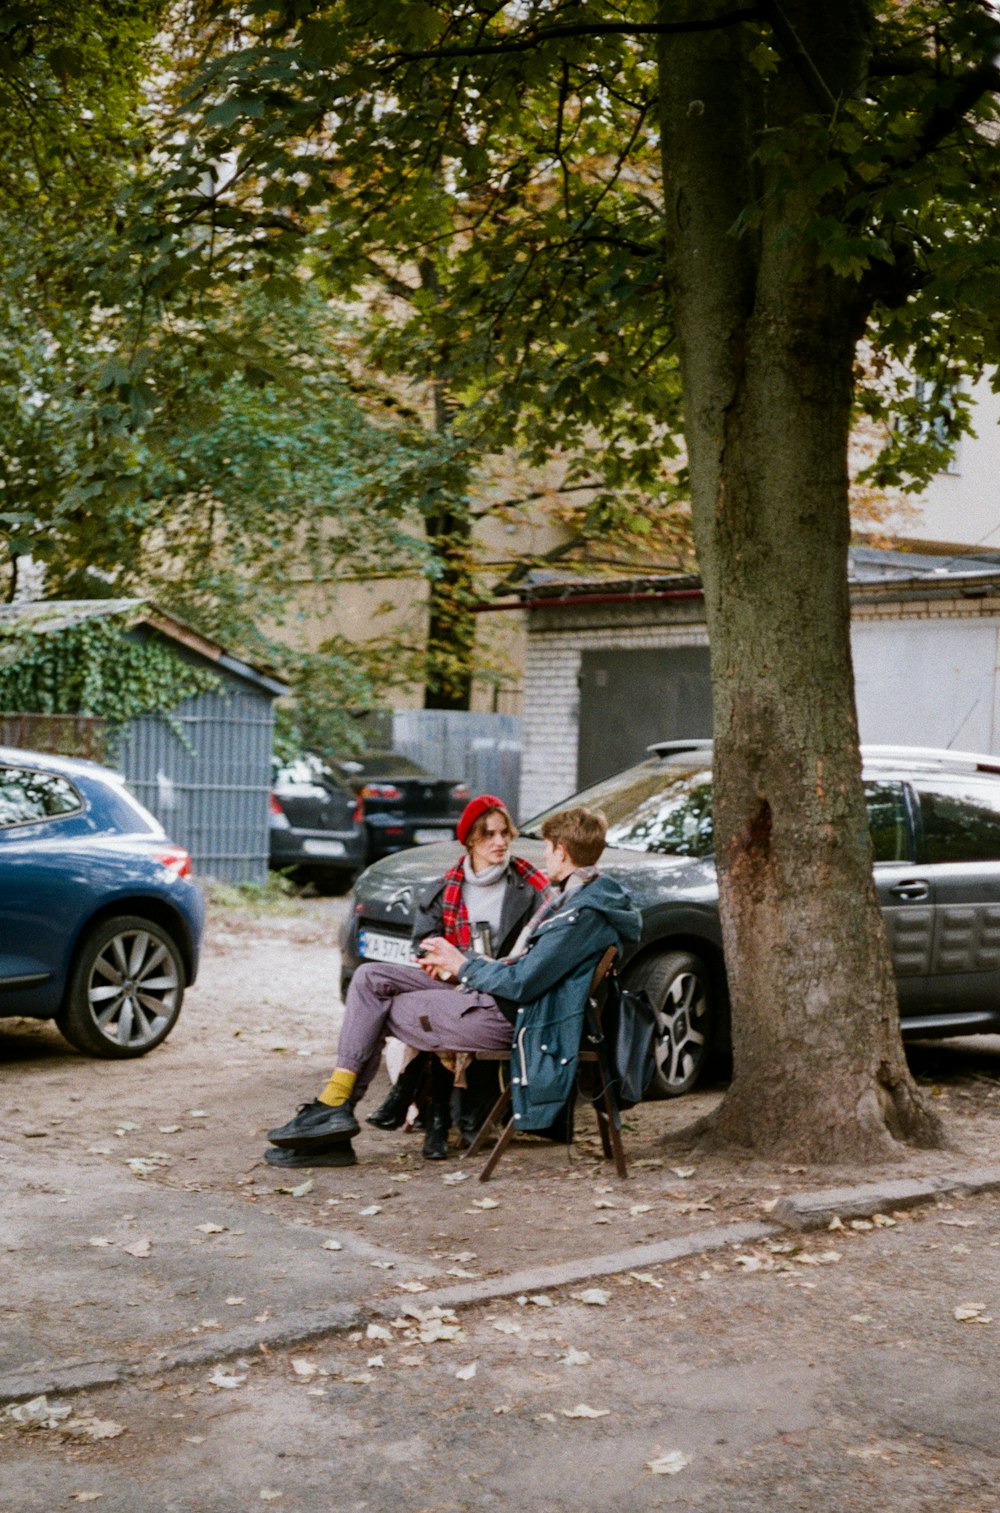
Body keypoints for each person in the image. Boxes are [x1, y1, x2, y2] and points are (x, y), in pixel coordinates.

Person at [265, 806, 641, 1167]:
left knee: (382, 1007)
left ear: (561, 850)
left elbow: (523, 982)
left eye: (546, 847)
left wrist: (461, 964)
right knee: (369, 979)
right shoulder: (577, 897)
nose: (543, 855)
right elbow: (522, 968)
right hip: (495, 994)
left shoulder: (580, 914)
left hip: (510, 1016)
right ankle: (335, 1108)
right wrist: (458, 963)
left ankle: (335, 1113)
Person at [364, 793, 550, 1159]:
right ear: (470, 841)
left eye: (503, 834)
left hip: (499, 984)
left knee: (444, 1010)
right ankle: (433, 1116)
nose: (499, 842)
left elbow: (534, 948)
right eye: (488, 835)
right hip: (453, 979)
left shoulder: (528, 885)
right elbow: (423, 943)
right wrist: (438, 963)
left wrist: (469, 968)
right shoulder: (445, 888)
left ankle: (425, 1109)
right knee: (435, 1002)